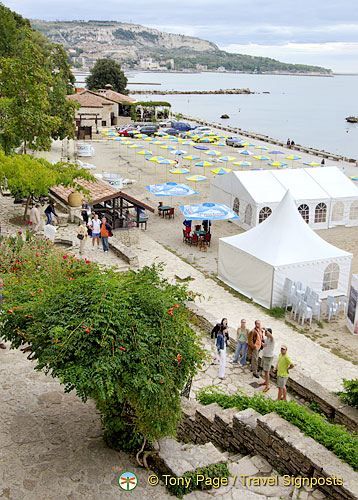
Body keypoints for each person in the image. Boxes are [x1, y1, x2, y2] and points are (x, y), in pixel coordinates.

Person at [259, 328, 275, 392]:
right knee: (265, 371)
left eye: (266, 332)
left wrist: (266, 329)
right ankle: (266, 382)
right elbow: (264, 344)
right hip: (265, 356)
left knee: (267, 372)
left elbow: (271, 336)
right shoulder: (266, 339)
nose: (265, 333)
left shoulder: (272, 340)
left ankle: (267, 386)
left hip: (269, 357)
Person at [0, 278, 6, 349]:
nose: (1, 285)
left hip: (0, 310)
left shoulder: (2, 290)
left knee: (1, 325)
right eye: (0, 283)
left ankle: (0, 342)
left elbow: (4, 300)